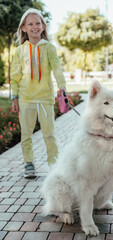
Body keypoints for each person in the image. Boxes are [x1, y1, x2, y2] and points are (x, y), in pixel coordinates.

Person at [11, 8, 67, 178]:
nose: (34, 26)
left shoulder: (49, 48)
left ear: (43, 26)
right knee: (26, 135)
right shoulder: (19, 51)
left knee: (49, 135)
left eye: (38, 23)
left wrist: (62, 88)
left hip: (45, 98)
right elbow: (15, 76)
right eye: (30, 24)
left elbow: (57, 69)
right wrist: (14, 97)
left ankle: (53, 164)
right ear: (23, 28)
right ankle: (29, 164)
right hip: (26, 98)